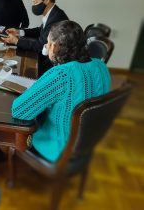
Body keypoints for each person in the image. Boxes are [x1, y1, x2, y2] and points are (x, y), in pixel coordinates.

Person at [11, 20, 111, 163]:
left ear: (55, 46)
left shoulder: (61, 75)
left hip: (59, 149)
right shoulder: (101, 67)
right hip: (87, 143)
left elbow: (19, 109)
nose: (46, 47)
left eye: (48, 43)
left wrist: (37, 88)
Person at [3, 0, 68, 74]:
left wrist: (17, 41)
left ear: (46, 0)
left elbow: (41, 45)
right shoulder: (52, 13)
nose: (33, 6)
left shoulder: (56, 18)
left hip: (51, 64)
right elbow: (40, 30)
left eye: (35, 2)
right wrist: (19, 32)